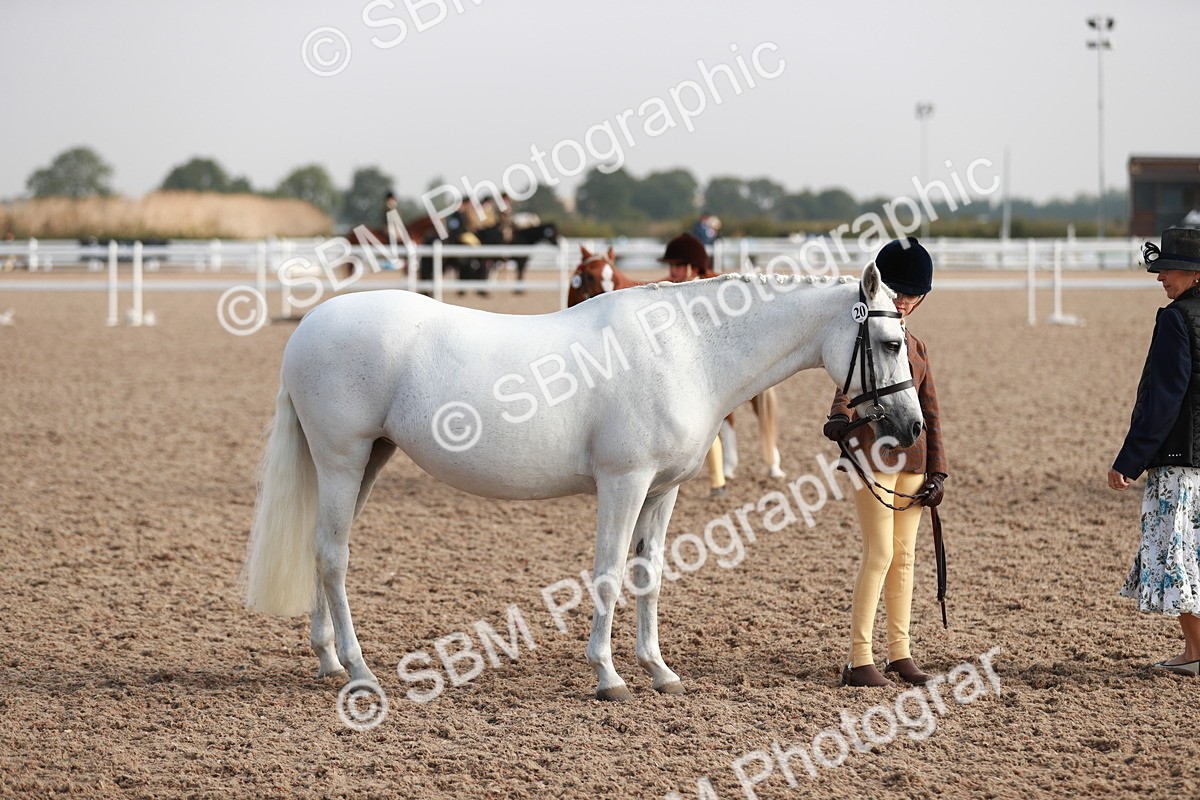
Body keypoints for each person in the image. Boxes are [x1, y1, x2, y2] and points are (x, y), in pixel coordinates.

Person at [823, 237, 947, 688]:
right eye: (899, 291)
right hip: (872, 457)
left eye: (914, 295)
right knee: (880, 553)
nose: (906, 301)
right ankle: (859, 659)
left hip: (912, 461)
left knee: (906, 558)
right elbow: (849, 383)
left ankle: (900, 653)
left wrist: (938, 471)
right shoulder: (867, 334)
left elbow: (931, 413)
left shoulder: (917, 346)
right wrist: (839, 415)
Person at [1109, 226, 1200, 676]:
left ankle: (1195, 652)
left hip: (1182, 461)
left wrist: (1129, 460)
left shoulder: (1175, 320)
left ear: (1193, 274)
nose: (1161, 277)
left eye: (1168, 269)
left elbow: (1164, 399)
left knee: (1179, 556)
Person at [658, 232, 725, 494]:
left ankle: (718, 480)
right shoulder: (666, 290)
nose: (672, 271)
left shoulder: (707, 294)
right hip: (671, 368)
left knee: (708, 428)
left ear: (692, 268)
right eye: (671, 266)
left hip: (703, 371)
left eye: (677, 266)